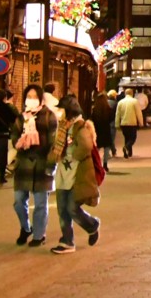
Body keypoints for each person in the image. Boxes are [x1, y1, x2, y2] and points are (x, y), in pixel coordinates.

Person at [50, 97, 100, 254]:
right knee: (62, 209)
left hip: (76, 174)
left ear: (69, 111)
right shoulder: (63, 127)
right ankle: (67, 241)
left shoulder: (80, 127)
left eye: (62, 109)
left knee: (72, 208)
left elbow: (86, 145)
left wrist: (74, 156)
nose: (60, 112)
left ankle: (91, 225)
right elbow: (56, 148)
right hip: (62, 173)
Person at [11, 83, 58, 247]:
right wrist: (21, 141)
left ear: (40, 99)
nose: (31, 100)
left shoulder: (49, 116)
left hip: (42, 165)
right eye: (28, 97)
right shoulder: (21, 118)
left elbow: (53, 143)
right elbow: (14, 137)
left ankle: (39, 235)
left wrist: (50, 165)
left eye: (34, 97)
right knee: (18, 201)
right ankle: (26, 228)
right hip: (23, 164)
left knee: (40, 204)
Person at [90, 92, 114, 173]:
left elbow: (92, 119)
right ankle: (105, 164)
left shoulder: (95, 110)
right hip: (106, 129)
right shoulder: (108, 109)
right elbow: (111, 118)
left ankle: (96, 163)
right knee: (106, 147)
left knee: (97, 147)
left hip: (97, 130)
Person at [115, 88, 142, 159]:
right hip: (132, 123)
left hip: (123, 123)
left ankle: (128, 154)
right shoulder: (135, 101)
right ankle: (126, 147)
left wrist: (117, 124)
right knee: (133, 138)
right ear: (132, 93)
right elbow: (138, 113)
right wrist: (141, 122)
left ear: (125, 94)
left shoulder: (120, 102)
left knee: (126, 138)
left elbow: (118, 114)